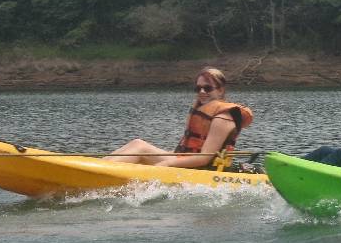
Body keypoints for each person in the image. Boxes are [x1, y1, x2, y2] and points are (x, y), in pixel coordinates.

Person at [103, 67, 252, 169]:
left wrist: (167, 164)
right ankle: (93, 167)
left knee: (140, 148)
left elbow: (204, 159)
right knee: (137, 143)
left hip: (201, 169)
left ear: (220, 90)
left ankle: (101, 171)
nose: (201, 91)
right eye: (198, 88)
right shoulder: (207, 110)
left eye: (207, 88)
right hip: (183, 160)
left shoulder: (223, 118)